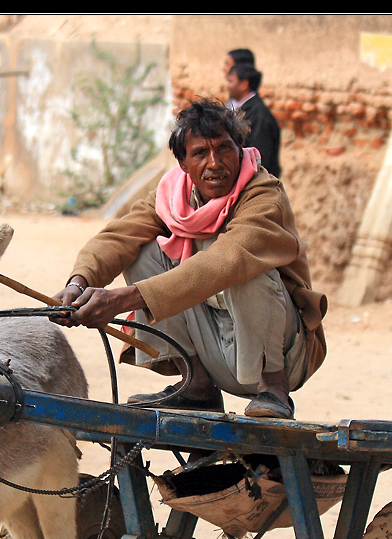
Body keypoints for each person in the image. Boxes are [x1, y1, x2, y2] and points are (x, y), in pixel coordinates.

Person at [54, 99, 326, 420]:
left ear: (241, 150)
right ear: (183, 163)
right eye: (200, 153)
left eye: (224, 149)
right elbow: (120, 236)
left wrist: (119, 299)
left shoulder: (264, 194)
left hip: (280, 354)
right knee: (142, 250)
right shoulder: (172, 195)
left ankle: (274, 390)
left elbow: (229, 260)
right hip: (216, 345)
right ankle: (196, 386)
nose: (215, 163)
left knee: (249, 269)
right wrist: (79, 281)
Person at [226, 62, 281, 178]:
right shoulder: (242, 109)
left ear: (244, 84)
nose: (227, 86)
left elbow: (259, 159)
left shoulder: (258, 115)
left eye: (231, 81)